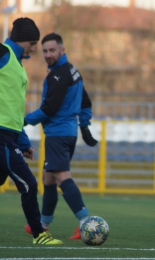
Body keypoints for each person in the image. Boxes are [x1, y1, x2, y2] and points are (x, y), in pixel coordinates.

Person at [24, 33, 98, 239]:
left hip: (58, 133)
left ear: (62, 50)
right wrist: (84, 126)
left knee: (61, 176)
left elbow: (49, 108)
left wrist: (24, 120)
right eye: (45, 51)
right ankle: (42, 224)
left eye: (52, 50)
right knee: (48, 178)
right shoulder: (73, 71)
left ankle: (86, 222)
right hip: (68, 133)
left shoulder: (58, 75)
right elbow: (85, 102)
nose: (48, 54)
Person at [0, 18, 62, 245]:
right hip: (1, 136)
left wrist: (23, 141)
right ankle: (39, 234)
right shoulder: (3, 53)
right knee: (29, 184)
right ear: (21, 39)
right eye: (33, 43)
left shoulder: (16, 63)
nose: (35, 48)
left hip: (10, 136)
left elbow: (15, 107)